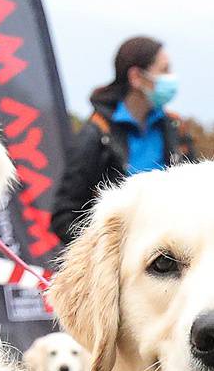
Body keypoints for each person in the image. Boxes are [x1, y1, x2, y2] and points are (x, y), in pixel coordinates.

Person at [50, 35, 195, 245]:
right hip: (117, 267)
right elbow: (64, 216)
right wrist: (107, 252)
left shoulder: (176, 129)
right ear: (136, 76)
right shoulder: (97, 134)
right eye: (164, 70)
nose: (171, 78)